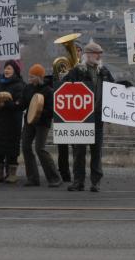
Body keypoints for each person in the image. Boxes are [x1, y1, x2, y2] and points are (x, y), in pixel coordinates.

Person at [63, 42, 115, 192]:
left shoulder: (104, 71)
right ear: (89, 54)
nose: (99, 56)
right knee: (79, 151)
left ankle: (95, 182)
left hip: (97, 117)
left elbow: (113, 88)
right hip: (80, 118)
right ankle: (78, 181)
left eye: (100, 53)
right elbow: (65, 87)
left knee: (96, 151)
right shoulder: (77, 71)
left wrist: (125, 85)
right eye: (97, 53)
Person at [19, 64, 62, 187]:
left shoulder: (48, 91)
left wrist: (38, 111)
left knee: (40, 149)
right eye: (29, 76)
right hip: (29, 121)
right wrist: (11, 103)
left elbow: (51, 111)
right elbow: (22, 104)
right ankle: (32, 179)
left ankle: (54, 178)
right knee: (26, 146)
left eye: (32, 77)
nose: (30, 79)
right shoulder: (28, 88)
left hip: (43, 123)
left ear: (39, 77)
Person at [0, 59, 25, 183]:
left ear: (15, 70)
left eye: (9, 68)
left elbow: (20, 105)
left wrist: (6, 104)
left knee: (11, 149)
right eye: (6, 68)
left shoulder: (20, 85)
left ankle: (12, 174)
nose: (7, 70)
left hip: (12, 122)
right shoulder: (0, 82)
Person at [57, 41, 83, 183]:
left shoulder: (85, 69)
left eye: (79, 50)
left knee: (77, 147)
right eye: (74, 50)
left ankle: (78, 174)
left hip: (79, 112)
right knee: (62, 147)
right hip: (64, 111)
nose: (77, 52)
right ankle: (64, 174)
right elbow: (59, 84)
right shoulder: (63, 66)